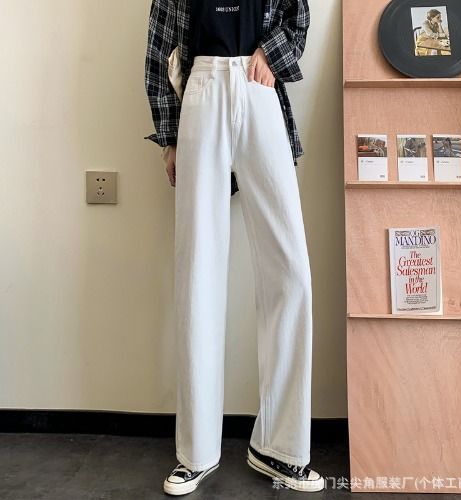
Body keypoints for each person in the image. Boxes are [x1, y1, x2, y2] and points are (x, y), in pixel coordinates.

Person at [144, 0, 324, 495]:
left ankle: (280, 447)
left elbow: (298, 17)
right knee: (198, 270)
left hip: (259, 86)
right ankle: (196, 452)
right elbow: (160, 47)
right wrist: (169, 137)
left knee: (291, 271)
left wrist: (270, 54)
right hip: (201, 89)